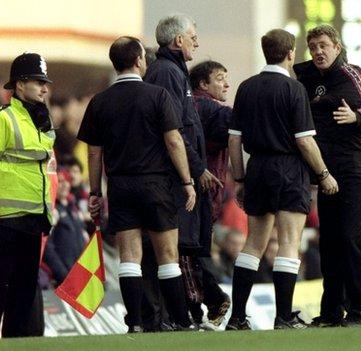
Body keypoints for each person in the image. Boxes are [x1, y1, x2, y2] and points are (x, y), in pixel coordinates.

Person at [77, 36, 197, 332]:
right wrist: (187, 180)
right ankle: (181, 321)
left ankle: (135, 324)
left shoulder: (100, 101)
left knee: (129, 256)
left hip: (119, 186)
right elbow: (173, 140)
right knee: (167, 255)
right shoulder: (157, 95)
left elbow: (94, 151)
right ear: (138, 60)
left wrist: (95, 192)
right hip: (156, 184)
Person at [226, 29, 338, 331]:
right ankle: (283, 317)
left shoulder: (246, 88)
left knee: (253, 244)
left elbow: (234, 142)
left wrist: (240, 178)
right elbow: (304, 141)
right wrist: (324, 174)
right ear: (290, 54)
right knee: (289, 243)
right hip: (289, 169)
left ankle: (237, 317)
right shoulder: (294, 89)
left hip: (257, 169)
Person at [293, 24, 361, 327]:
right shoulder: (310, 79)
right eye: (313, 47)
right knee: (329, 244)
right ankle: (332, 312)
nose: (318, 52)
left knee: (353, 240)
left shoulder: (354, 75)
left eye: (323, 45)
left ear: (336, 46)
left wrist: (356, 116)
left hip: (359, 171)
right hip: (329, 175)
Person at [144, 14, 222, 327]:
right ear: (178, 41)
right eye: (193, 37)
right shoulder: (166, 73)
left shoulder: (174, 71)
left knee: (177, 250)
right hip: (174, 180)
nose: (197, 43)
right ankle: (171, 319)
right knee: (171, 251)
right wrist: (197, 170)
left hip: (179, 177)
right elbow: (173, 131)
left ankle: (174, 318)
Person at [0, 52, 55, 338]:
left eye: (44, 82)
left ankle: (16, 343)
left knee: (24, 288)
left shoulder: (40, 120)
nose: (45, 88)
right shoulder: (3, 119)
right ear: (20, 85)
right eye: (38, 82)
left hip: (33, 217)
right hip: (7, 219)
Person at [188, 60, 233, 326]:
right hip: (202, 193)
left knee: (189, 253)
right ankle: (214, 298)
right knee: (195, 252)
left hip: (192, 192)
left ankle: (196, 310)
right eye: (220, 78)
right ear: (203, 84)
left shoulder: (186, 107)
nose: (226, 84)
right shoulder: (214, 110)